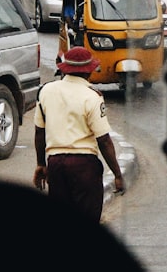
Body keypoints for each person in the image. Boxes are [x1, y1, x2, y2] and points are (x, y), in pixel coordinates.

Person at [33, 46, 125, 222]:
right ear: (89, 71)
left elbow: (39, 131)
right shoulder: (92, 97)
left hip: (55, 165)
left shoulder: (45, 91)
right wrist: (117, 175)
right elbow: (104, 140)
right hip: (84, 167)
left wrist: (41, 164)